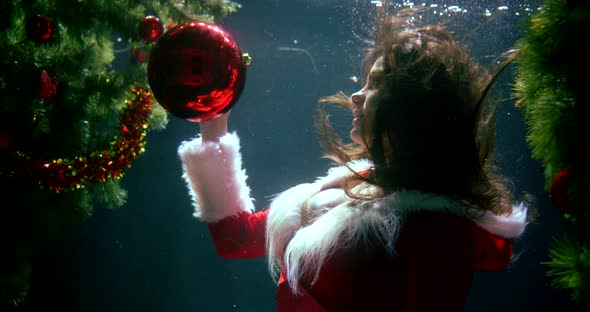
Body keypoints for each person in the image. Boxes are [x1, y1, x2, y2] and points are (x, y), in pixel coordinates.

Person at [177, 8, 528, 312]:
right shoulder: (335, 195)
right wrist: (214, 122)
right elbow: (234, 238)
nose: (356, 96)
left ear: (412, 106)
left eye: (374, 84)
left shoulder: (437, 228)